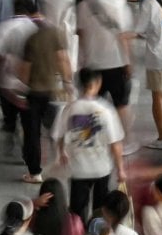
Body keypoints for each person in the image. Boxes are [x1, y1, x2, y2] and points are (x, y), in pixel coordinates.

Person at [52, 70, 125, 220]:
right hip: (102, 169)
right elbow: (115, 143)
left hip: (79, 169)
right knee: (100, 211)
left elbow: (59, 134)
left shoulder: (70, 108)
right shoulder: (106, 110)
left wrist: (62, 152)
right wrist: (121, 169)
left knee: (77, 213)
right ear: (98, 83)